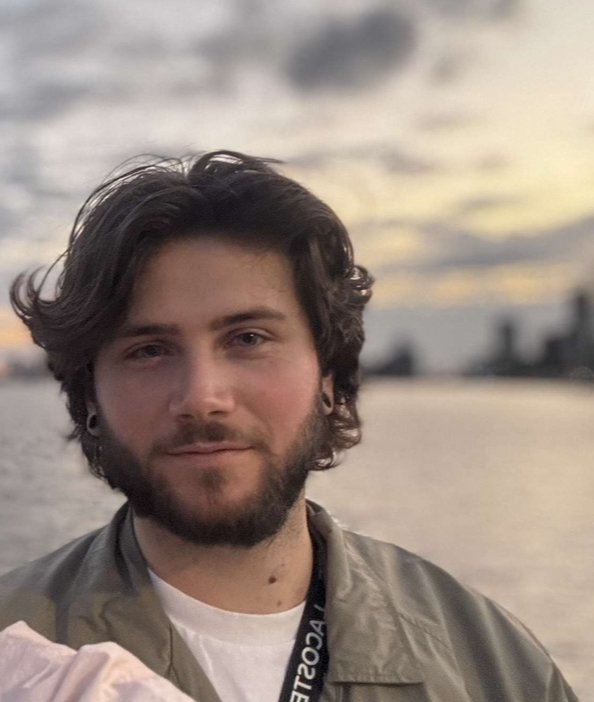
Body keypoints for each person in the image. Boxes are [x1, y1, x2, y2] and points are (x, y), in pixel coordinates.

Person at [0, 151, 577, 701]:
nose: (202, 398)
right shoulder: (16, 655)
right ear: (91, 395)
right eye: (149, 350)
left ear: (328, 377)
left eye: (248, 339)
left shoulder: (492, 662)